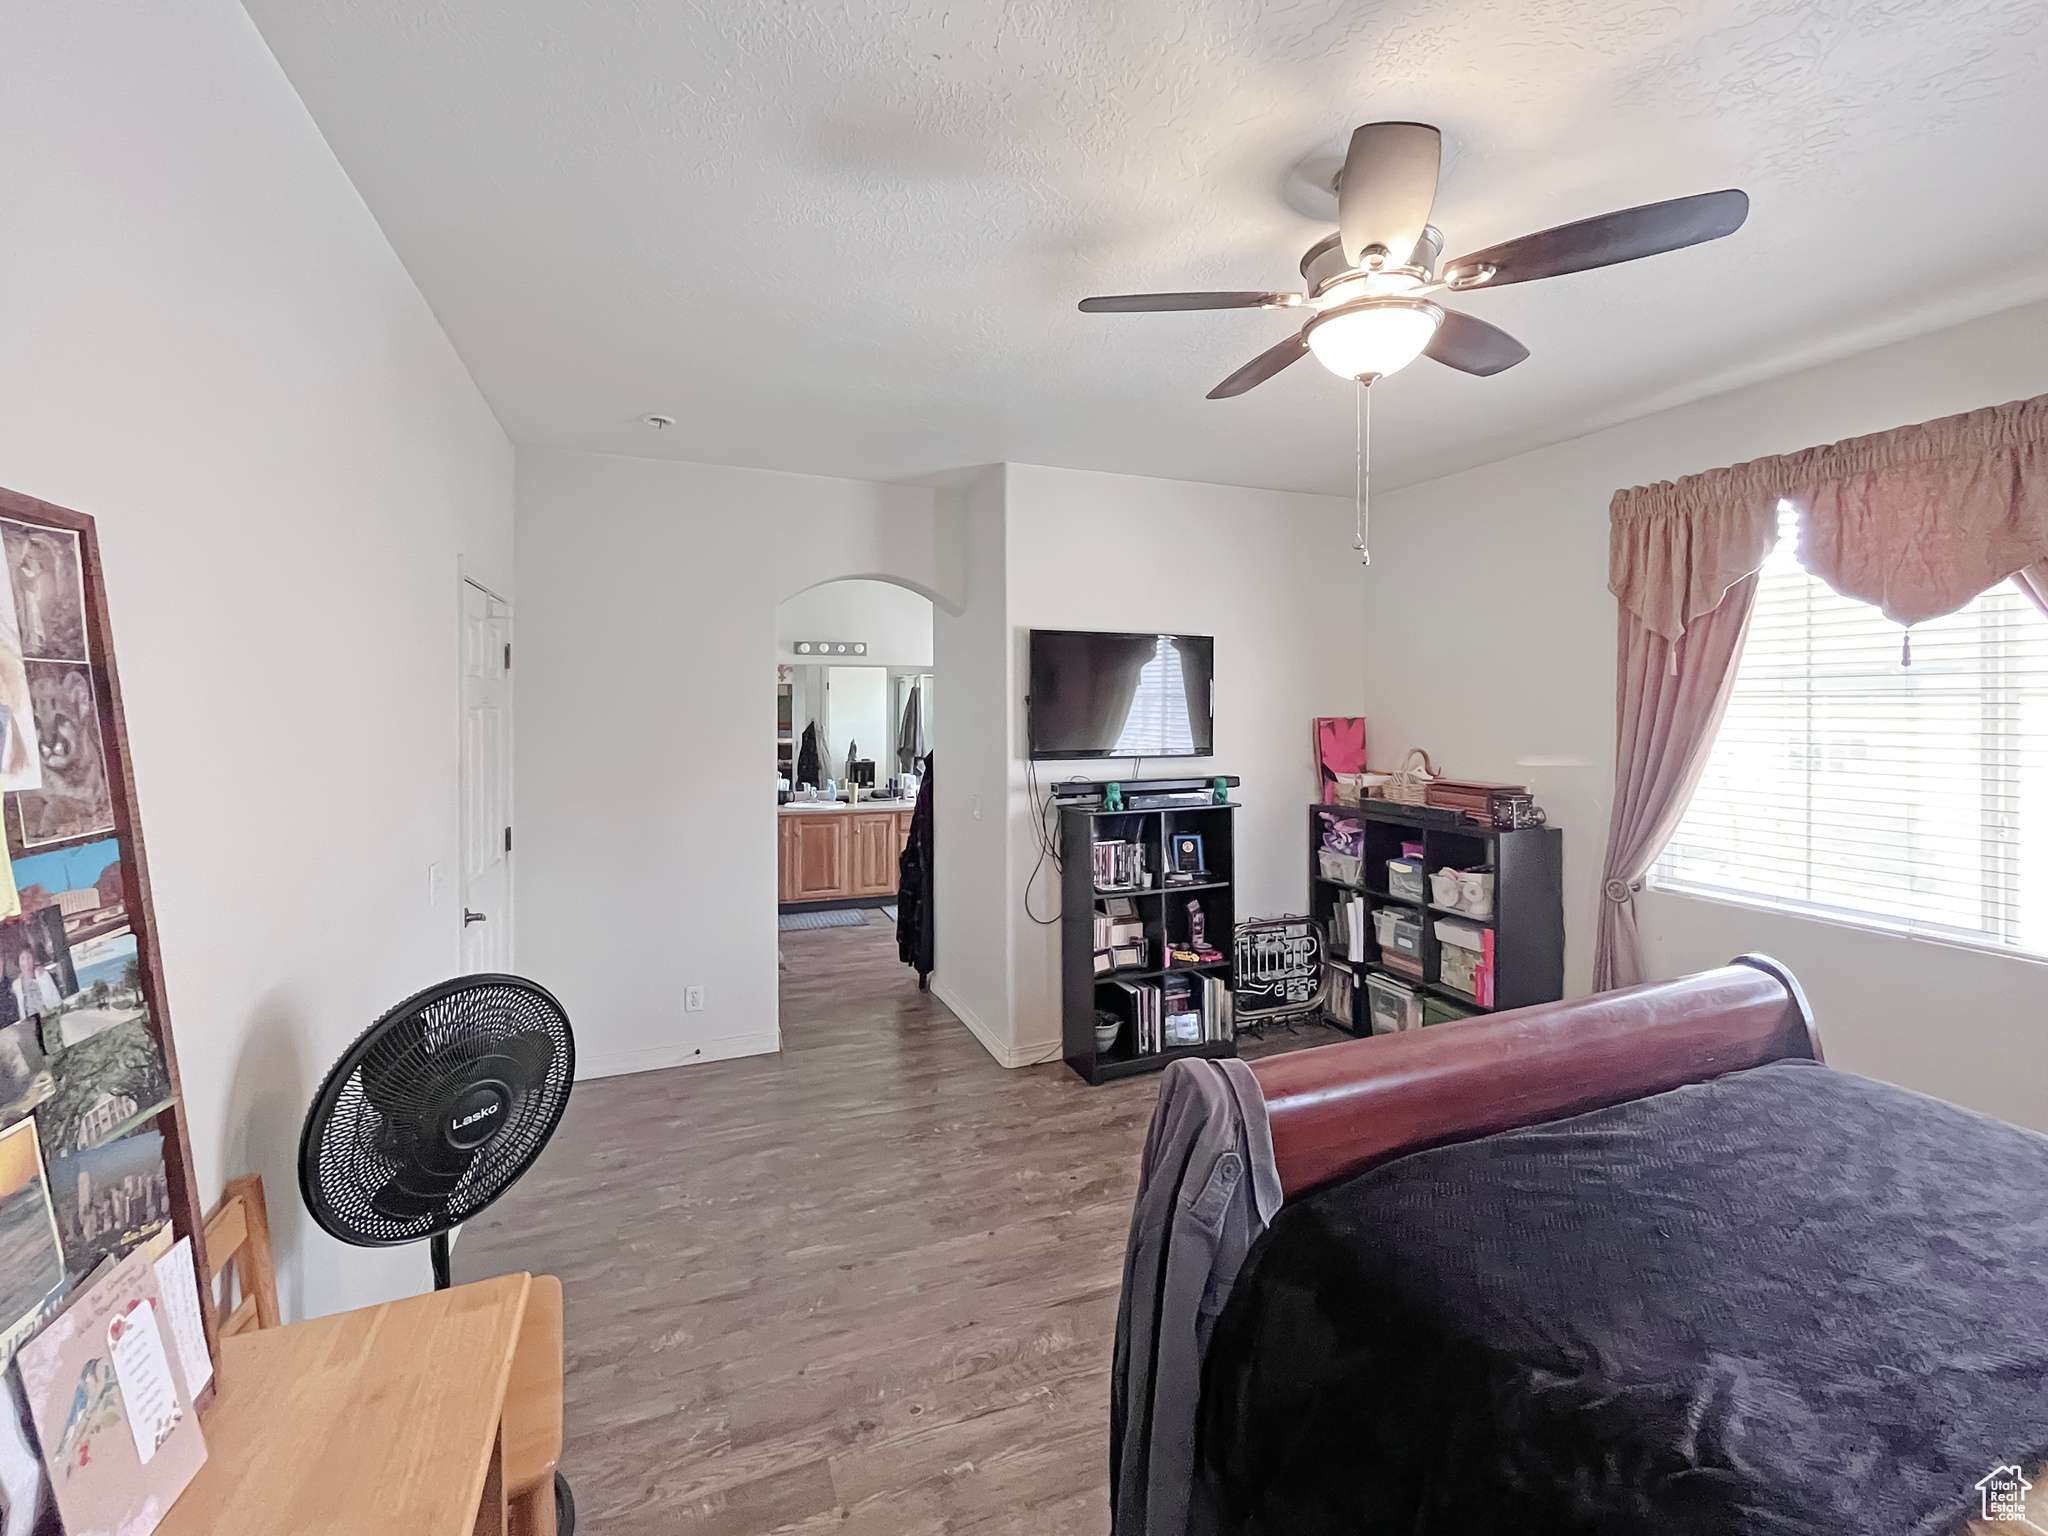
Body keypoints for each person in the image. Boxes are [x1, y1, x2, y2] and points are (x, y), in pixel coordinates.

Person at [11, 945, 61, 1018]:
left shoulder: (43, 974)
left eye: (29, 957)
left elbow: (55, 996)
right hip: (30, 1022)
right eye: (22, 959)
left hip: (49, 1016)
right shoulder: (16, 985)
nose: (26, 962)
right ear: (18, 962)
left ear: (33, 959)